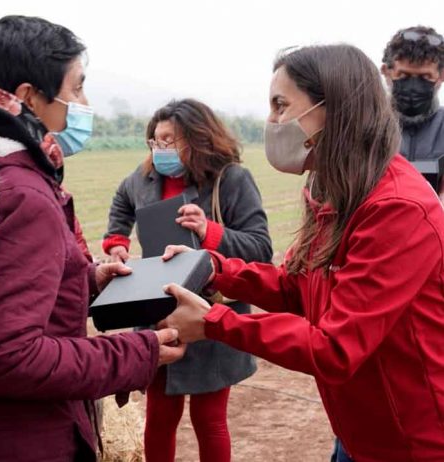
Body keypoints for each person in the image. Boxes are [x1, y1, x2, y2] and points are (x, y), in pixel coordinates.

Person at [0, 15, 185, 462]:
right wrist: (137, 352)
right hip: (5, 441)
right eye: (76, 88)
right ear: (28, 97)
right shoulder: (19, 195)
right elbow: (5, 359)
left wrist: (79, 277)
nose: (83, 102)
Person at [159, 45, 444, 462]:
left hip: (411, 441)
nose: (272, 121)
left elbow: (335, 348)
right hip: (359, 429)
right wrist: (213, 270)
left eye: (281, 105)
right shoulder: (331, 189)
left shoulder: (396, 207)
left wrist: (215, 323)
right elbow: (297, 289)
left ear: (336, 109)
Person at [102, 98, 272, 462]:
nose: (160, 149)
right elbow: (121, 202)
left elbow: (260, 247)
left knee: (209, 419)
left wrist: (210, 232)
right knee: (160, 417)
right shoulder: (143, 178)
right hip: (155, 308)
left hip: (210, 311)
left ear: (198, 139)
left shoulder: (232, 180)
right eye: (155, 141)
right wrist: (116, 241)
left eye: (170, 141)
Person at [381, 26, 444, 200]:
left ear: (441, 76)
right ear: (386, 71)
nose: (414, 87)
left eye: (425, 77)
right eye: (404, 75)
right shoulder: (363, 126)